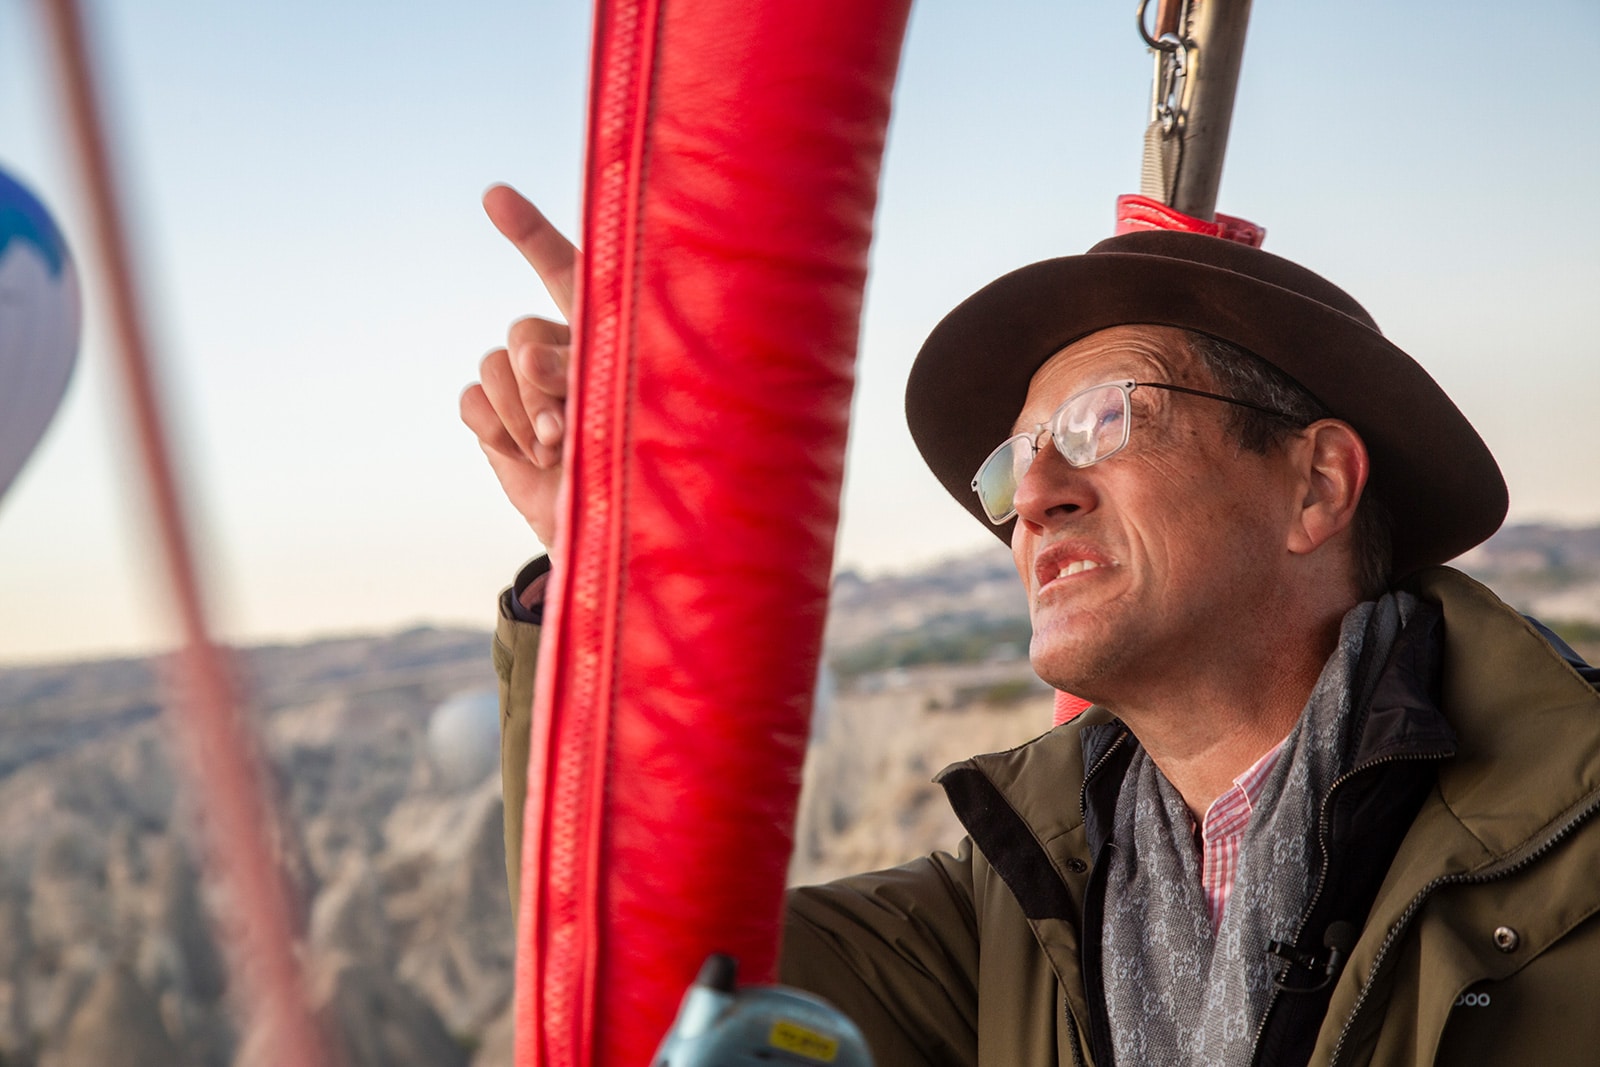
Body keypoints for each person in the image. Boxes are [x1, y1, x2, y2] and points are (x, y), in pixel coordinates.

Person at [461, 185, 1600, 1067]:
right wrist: (619, 563)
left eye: (1104, 419)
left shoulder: (1573, 840)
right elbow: (648, 971)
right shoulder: (1006, 912)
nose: (1033, 492)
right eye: (1012, 461)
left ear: (1314, 486)